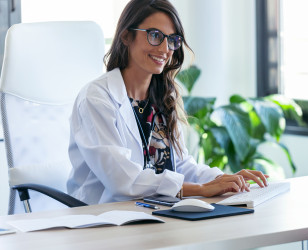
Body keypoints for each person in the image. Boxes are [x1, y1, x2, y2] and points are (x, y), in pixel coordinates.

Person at [67, 0, 268, 205]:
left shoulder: (162, 98)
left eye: (172, 39)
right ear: (127, 36)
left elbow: (181, 166)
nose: (165, 48)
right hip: (104, 219)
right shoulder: (96, 98)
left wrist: (223, 180)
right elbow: (123, 181)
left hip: (155, 213)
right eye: (155, 36)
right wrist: (201, 189)